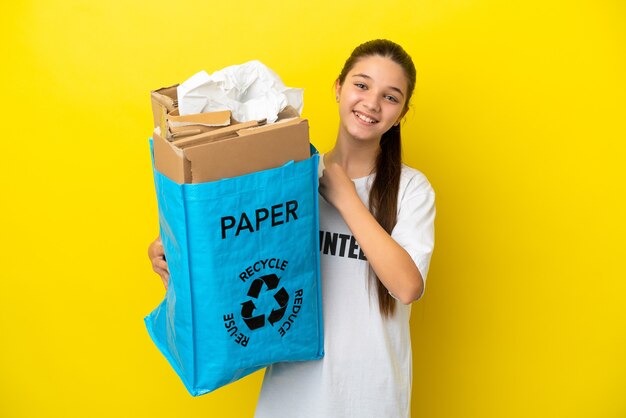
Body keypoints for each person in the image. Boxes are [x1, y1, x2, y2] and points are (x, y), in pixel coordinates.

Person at [148, 39, 435, 418]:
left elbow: (407, 286)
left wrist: (346, 198)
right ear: (338, 87)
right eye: (361, 85)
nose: (372, 103)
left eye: (391, 97)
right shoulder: (287, 178)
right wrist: (176, 252)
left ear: (401, 113)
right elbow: (236, 262)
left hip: (372, 398)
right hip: (291, 397)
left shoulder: (412, 189)